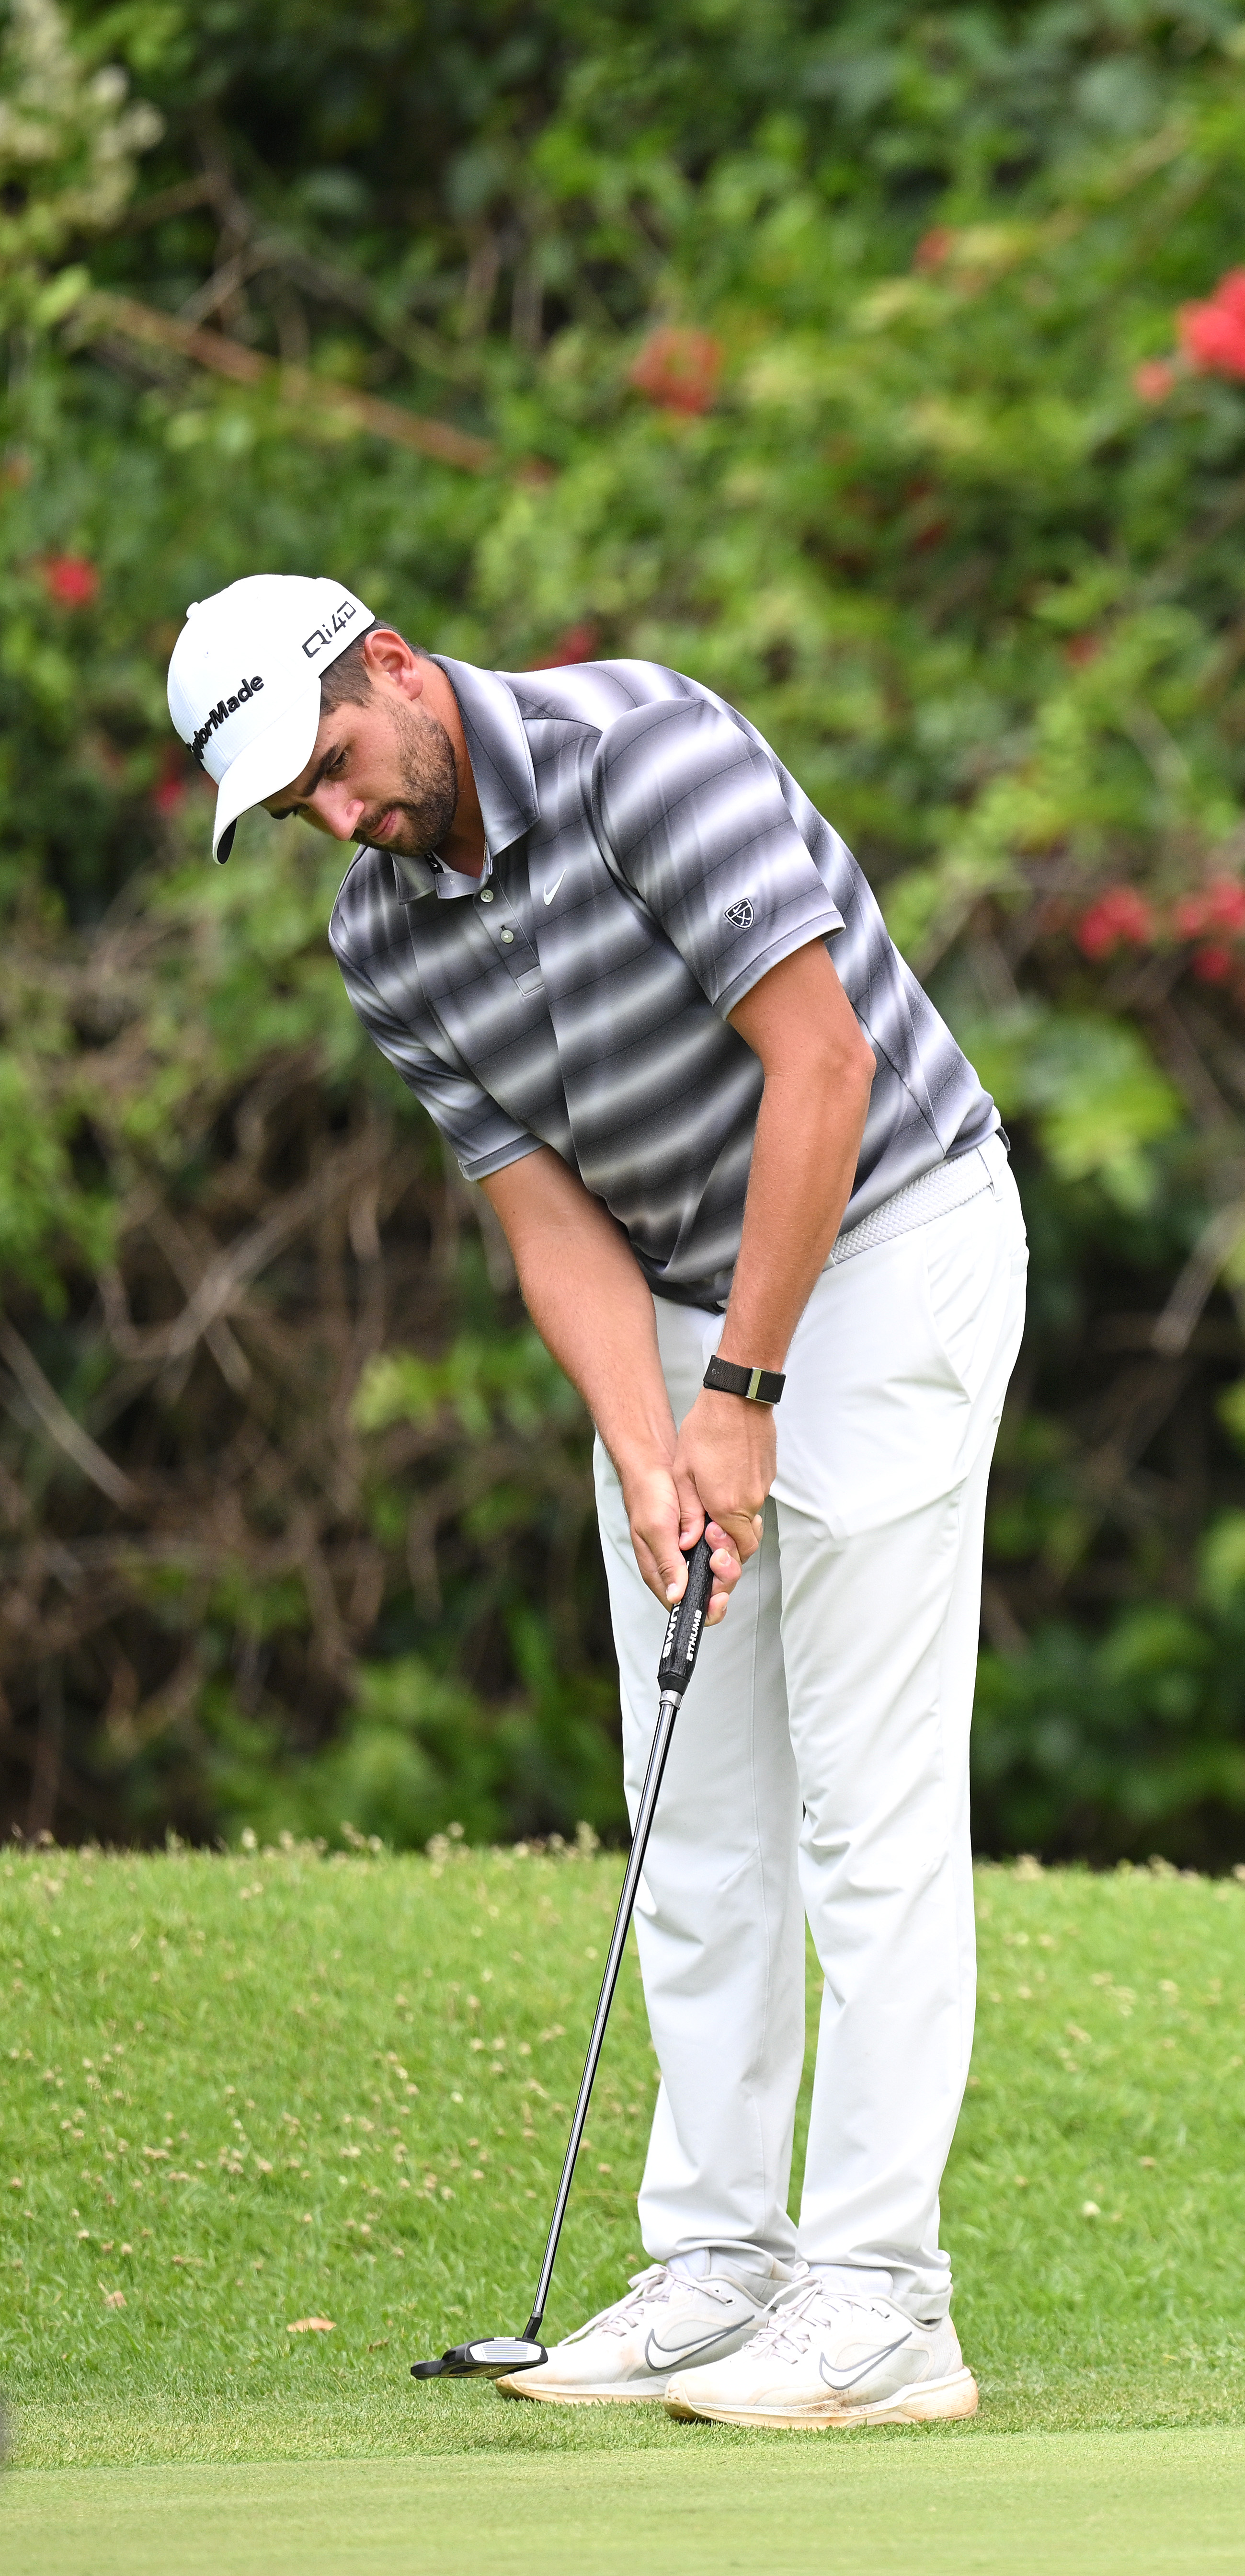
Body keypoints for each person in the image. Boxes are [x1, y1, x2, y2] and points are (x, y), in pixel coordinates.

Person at [165, 575, 1023, 2430]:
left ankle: (885, 2302)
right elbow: (544, 1213)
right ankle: (722, 2269)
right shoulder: (384, 937)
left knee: (864, 1805)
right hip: (684, 1310)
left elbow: (827, 1065)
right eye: (295, 810)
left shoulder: (652, 753)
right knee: (691, 1809)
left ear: (391, 665)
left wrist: (744, 1391)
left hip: (885, 1246)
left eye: (332, 768)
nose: (340, 818)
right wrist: (651, 1449)